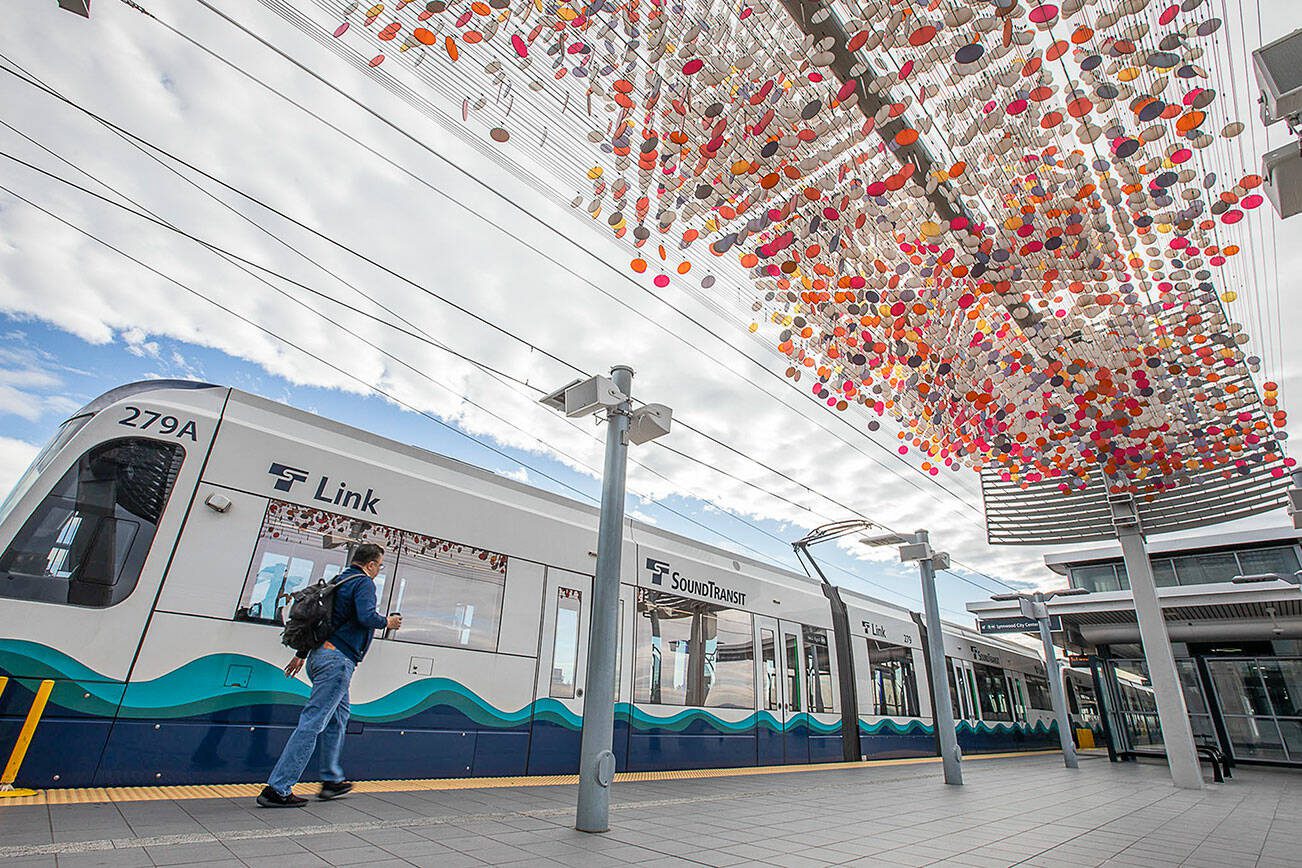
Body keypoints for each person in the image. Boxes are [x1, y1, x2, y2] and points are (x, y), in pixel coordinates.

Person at [257, 542, 401, 807]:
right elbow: (367, 617)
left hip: (319, 658)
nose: (379, 570)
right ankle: (277, 788)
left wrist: (301, 654)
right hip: (337, 662)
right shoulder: (364, 583)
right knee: (313, 722)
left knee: (339, 717)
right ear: (370, 564)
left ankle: (331, 780)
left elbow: (323, 622)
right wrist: (388, 622)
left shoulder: (339, 580)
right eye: (379, 565)